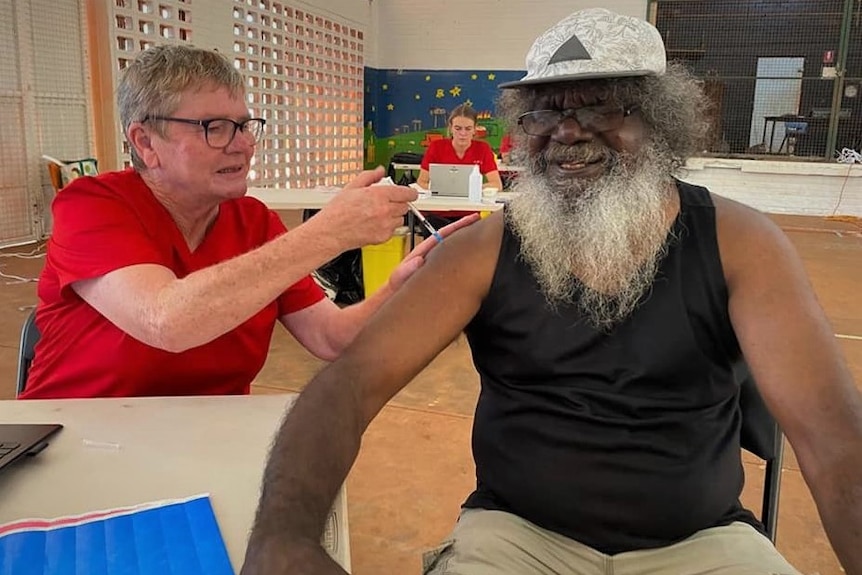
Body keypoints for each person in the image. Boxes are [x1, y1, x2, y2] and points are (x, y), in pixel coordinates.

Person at [241, 8, 862, 575]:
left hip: (702, 544)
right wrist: (284, 539)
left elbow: (833, 438)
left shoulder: (741, 244)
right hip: (515, 541)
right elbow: (348, 386)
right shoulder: (482, 252)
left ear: (662, 122)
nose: (566, 131)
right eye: (545, 110)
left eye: (601, 107)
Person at [21, 45, 476, 399]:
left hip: (207, 445)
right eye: (214, 127)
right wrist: (328, 231)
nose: (242, 145)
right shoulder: (92, 204)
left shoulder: (253, 222)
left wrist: (400, 285)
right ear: (145, 142)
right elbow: (167, 322)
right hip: (76, 440)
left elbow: (331, 338)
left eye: (244, 125)